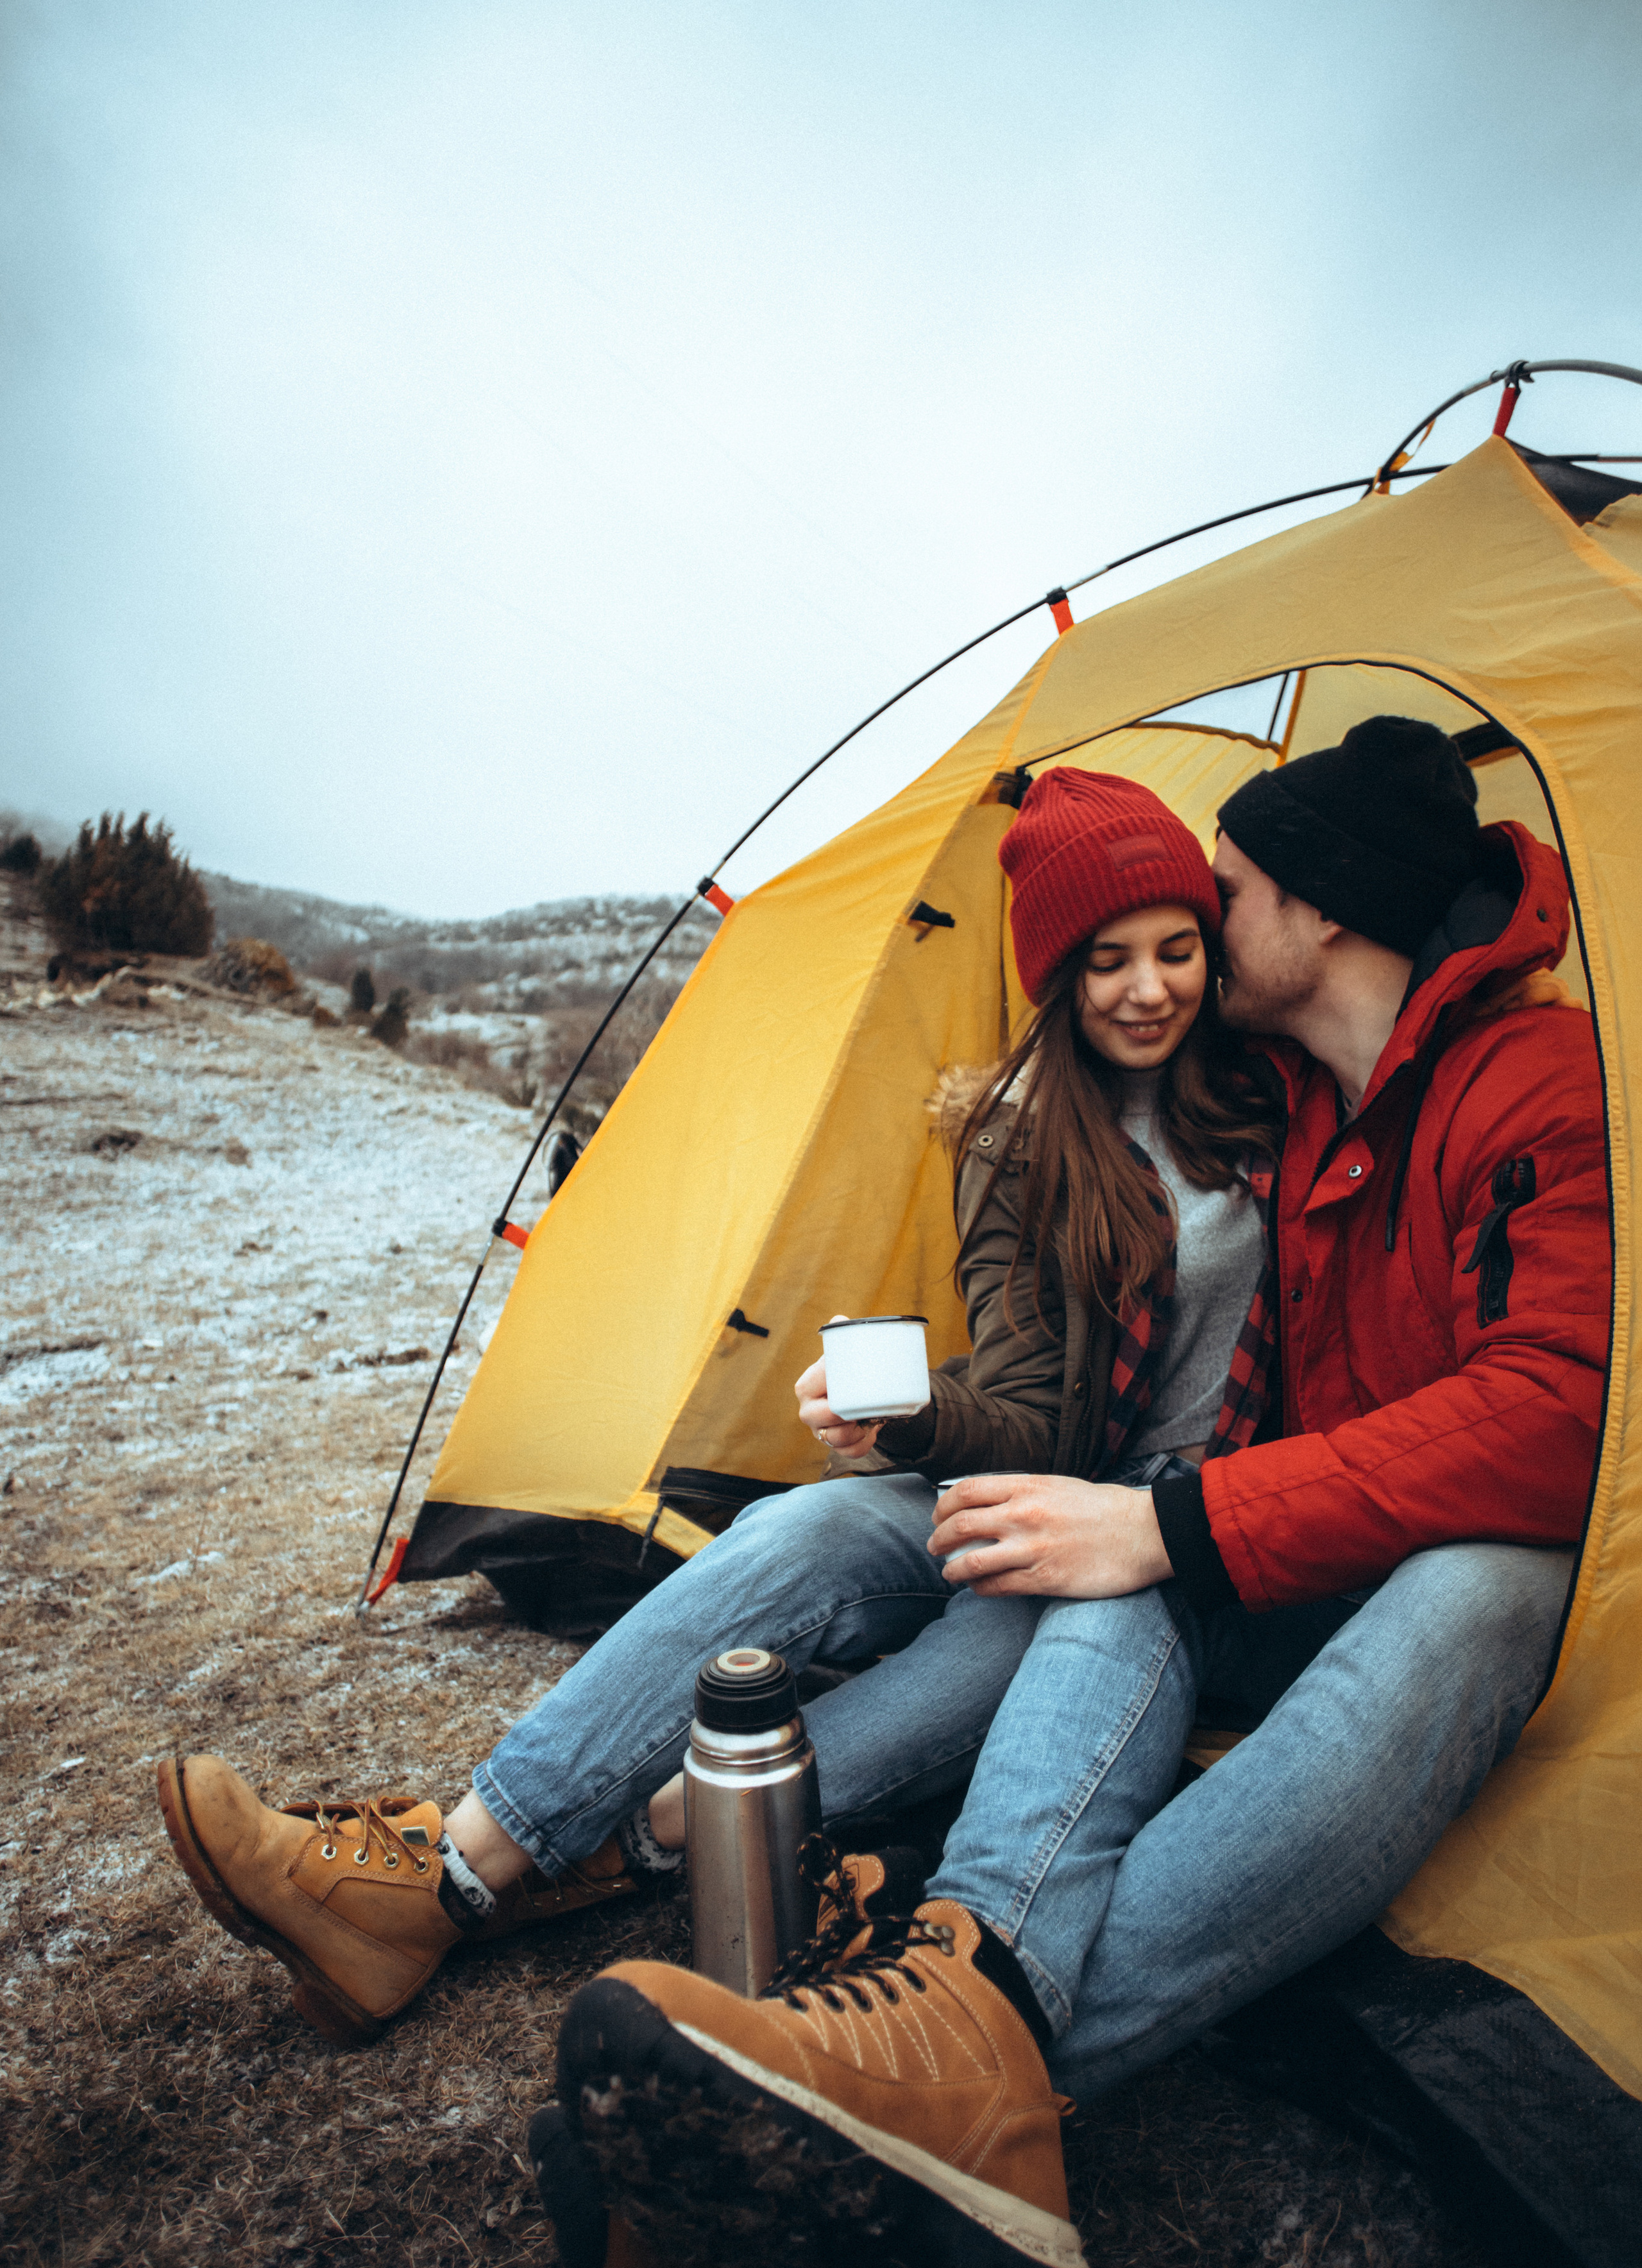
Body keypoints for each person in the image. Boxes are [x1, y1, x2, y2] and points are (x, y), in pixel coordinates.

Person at [545, 715, 1610, 2268]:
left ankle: (924, 2078)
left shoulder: (1535, 1080)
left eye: (1219, 894)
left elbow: (1557, 1417)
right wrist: (1098, 1494)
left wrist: (1176, 1522)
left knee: (1467, 1580)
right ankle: (947, 2010)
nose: (1184, 937)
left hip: (1437, 1576)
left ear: (1313, 911)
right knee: (1127, 1540)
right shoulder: (1296, 1093)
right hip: (1291, 1549)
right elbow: (1095, 1392)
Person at [155, 767, 1282, 2057]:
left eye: (1174, 950)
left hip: (1170, 1524)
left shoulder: (1272, 1106)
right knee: (806, 1535)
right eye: (1105, 961)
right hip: (1032, 1475)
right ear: (1054, 977)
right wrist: (912, 1418)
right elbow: (1026, 1405)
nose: (1146, 989)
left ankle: (573, 1862)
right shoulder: (1016, 1141)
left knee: (987, 1652)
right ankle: (444, 1866)